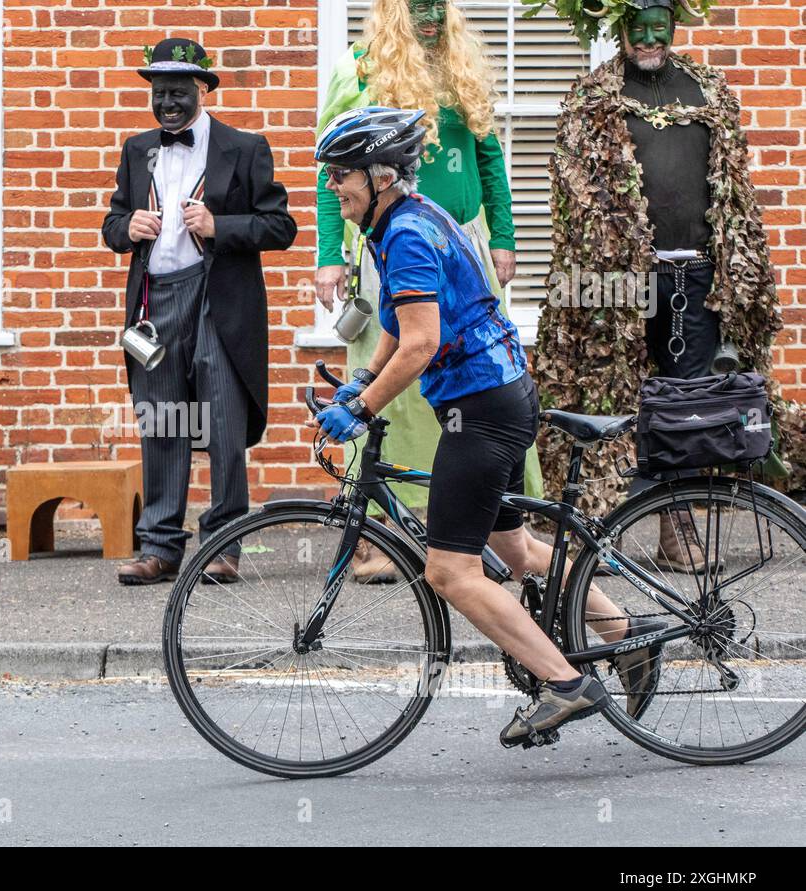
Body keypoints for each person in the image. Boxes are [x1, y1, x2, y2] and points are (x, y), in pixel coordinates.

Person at [310, 106, 661, 748]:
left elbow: (421, 343)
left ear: (381, 174)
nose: (334, 187)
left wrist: (361, 410)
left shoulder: (407, 233)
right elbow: (397, 322)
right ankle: (625, 636)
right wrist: (363, 380)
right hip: (494, 397)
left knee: (449, 572)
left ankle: (566, 684)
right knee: (515, 550)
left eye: (342, 175)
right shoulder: (406, 220)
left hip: (483, 409)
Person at [532, 0, 803, 549]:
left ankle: (676, 526)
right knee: (607, 395)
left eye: (660, 28)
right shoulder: (592, 99)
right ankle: (592, 528)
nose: (650, 39)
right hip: (617, 281)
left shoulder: (708, 92)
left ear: (674, 27)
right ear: (620, 28)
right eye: (639, 28)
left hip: (696, 275)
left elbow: (735, 189)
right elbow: (572, 198)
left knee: (688, 402)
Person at [314, 0, 541, 583]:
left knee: (473, 374)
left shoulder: (461, 62)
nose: (432, 17)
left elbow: (489, 156)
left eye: (440, 6)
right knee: (386, 381)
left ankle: (496, 527)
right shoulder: (360, 67)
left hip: (455, 239)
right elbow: (332, 172)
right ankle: (379, 536)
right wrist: (329, 255)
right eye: (419, 6)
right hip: (391, 238)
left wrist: (506, 236)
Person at [102, 38, 297, 586]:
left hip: (218, 300)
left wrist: (220, 226)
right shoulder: (137, 149)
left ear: (203, 91)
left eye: (179, 92)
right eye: (160, 92)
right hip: (155, 301)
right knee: (161, 420)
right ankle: (159, 548)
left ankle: (224, 542)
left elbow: (281, 227)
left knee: (222, 420)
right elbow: (113, 223)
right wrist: (126, 230)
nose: (168, 103)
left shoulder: (245, 146)